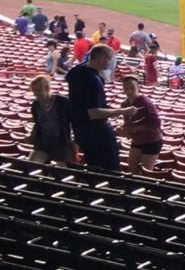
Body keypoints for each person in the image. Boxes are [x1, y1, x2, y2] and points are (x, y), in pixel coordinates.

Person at [66, 44, 125, 172]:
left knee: (93, 167)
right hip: (97, 133)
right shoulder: (93, 80)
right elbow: (94, 112)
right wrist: (122, 111)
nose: (108, 63)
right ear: (103, 58)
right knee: (112, 170)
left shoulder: (76, 71)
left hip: (80, 131)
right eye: (108, 60)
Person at [118, 73, 164, 174]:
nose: (129, 91)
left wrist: (135, 129)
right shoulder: (124, 104)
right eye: (126, 89)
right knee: (132, 170)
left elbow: (156, 123)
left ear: (137, 87)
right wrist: (122, 127)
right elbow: (128, 122)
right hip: (137, 141)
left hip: (151, 142)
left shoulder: (146, 103)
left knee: (146, 173)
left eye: (132, 88)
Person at [27, 75, 72, 165]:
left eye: (39, 90)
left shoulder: (63, 102)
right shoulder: (35, 105)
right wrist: (31, 135)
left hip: (60, 141)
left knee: (62, 171)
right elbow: (38, 123)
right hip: (43, 141)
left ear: (47, 88)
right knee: (32, 165)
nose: (36, 93)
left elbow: (74, 121)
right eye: (34, 90)